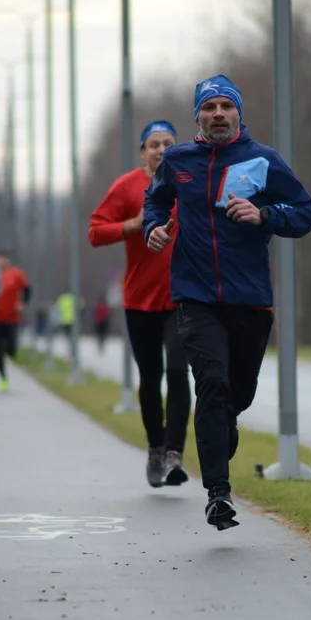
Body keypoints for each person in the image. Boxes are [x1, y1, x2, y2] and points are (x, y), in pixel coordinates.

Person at [143, 75, 311, 530]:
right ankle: (218, 494)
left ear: (238, 113)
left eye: (225, 106)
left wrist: (265, 214)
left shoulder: (263, 159)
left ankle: (224, 428)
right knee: (212, 385)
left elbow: (306, 212)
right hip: (195, 297)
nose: (218, 113)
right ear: (198, 116)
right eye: (209, 107)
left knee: (234, 396)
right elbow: (155, 202)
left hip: (250, 301)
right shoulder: (179, 160)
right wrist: (154, 228)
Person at [88, 119, 190, 489]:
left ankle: (176, 454)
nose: (161, 150)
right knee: (151, 377)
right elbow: (96, 232)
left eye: (168, 144)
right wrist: (133, 225)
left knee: (179, 372)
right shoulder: (127, 186)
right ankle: (155, 448)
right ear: (143, 152)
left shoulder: (189, 179)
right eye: (154, 145)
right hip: (140, 300)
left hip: (183, 297)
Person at [0, 250, 31, 392]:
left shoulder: (16, 274)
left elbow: (27, 290)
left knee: (11, 348)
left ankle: (9, 354)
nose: (1, 263)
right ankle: (3, 378)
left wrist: (23, 303)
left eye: (4, 260)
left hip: (12, 317)